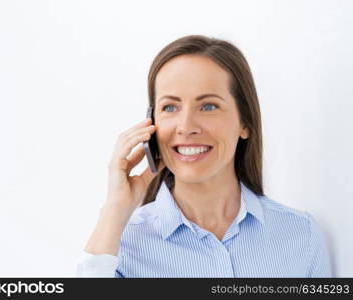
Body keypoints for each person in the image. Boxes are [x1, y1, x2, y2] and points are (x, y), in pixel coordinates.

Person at [75, 35, 333, 277]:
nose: (186, 126)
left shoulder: (301, 235)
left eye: (208, 106)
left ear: (244, 122)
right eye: (170, 107)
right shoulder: (119, 246)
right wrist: (115, 208)